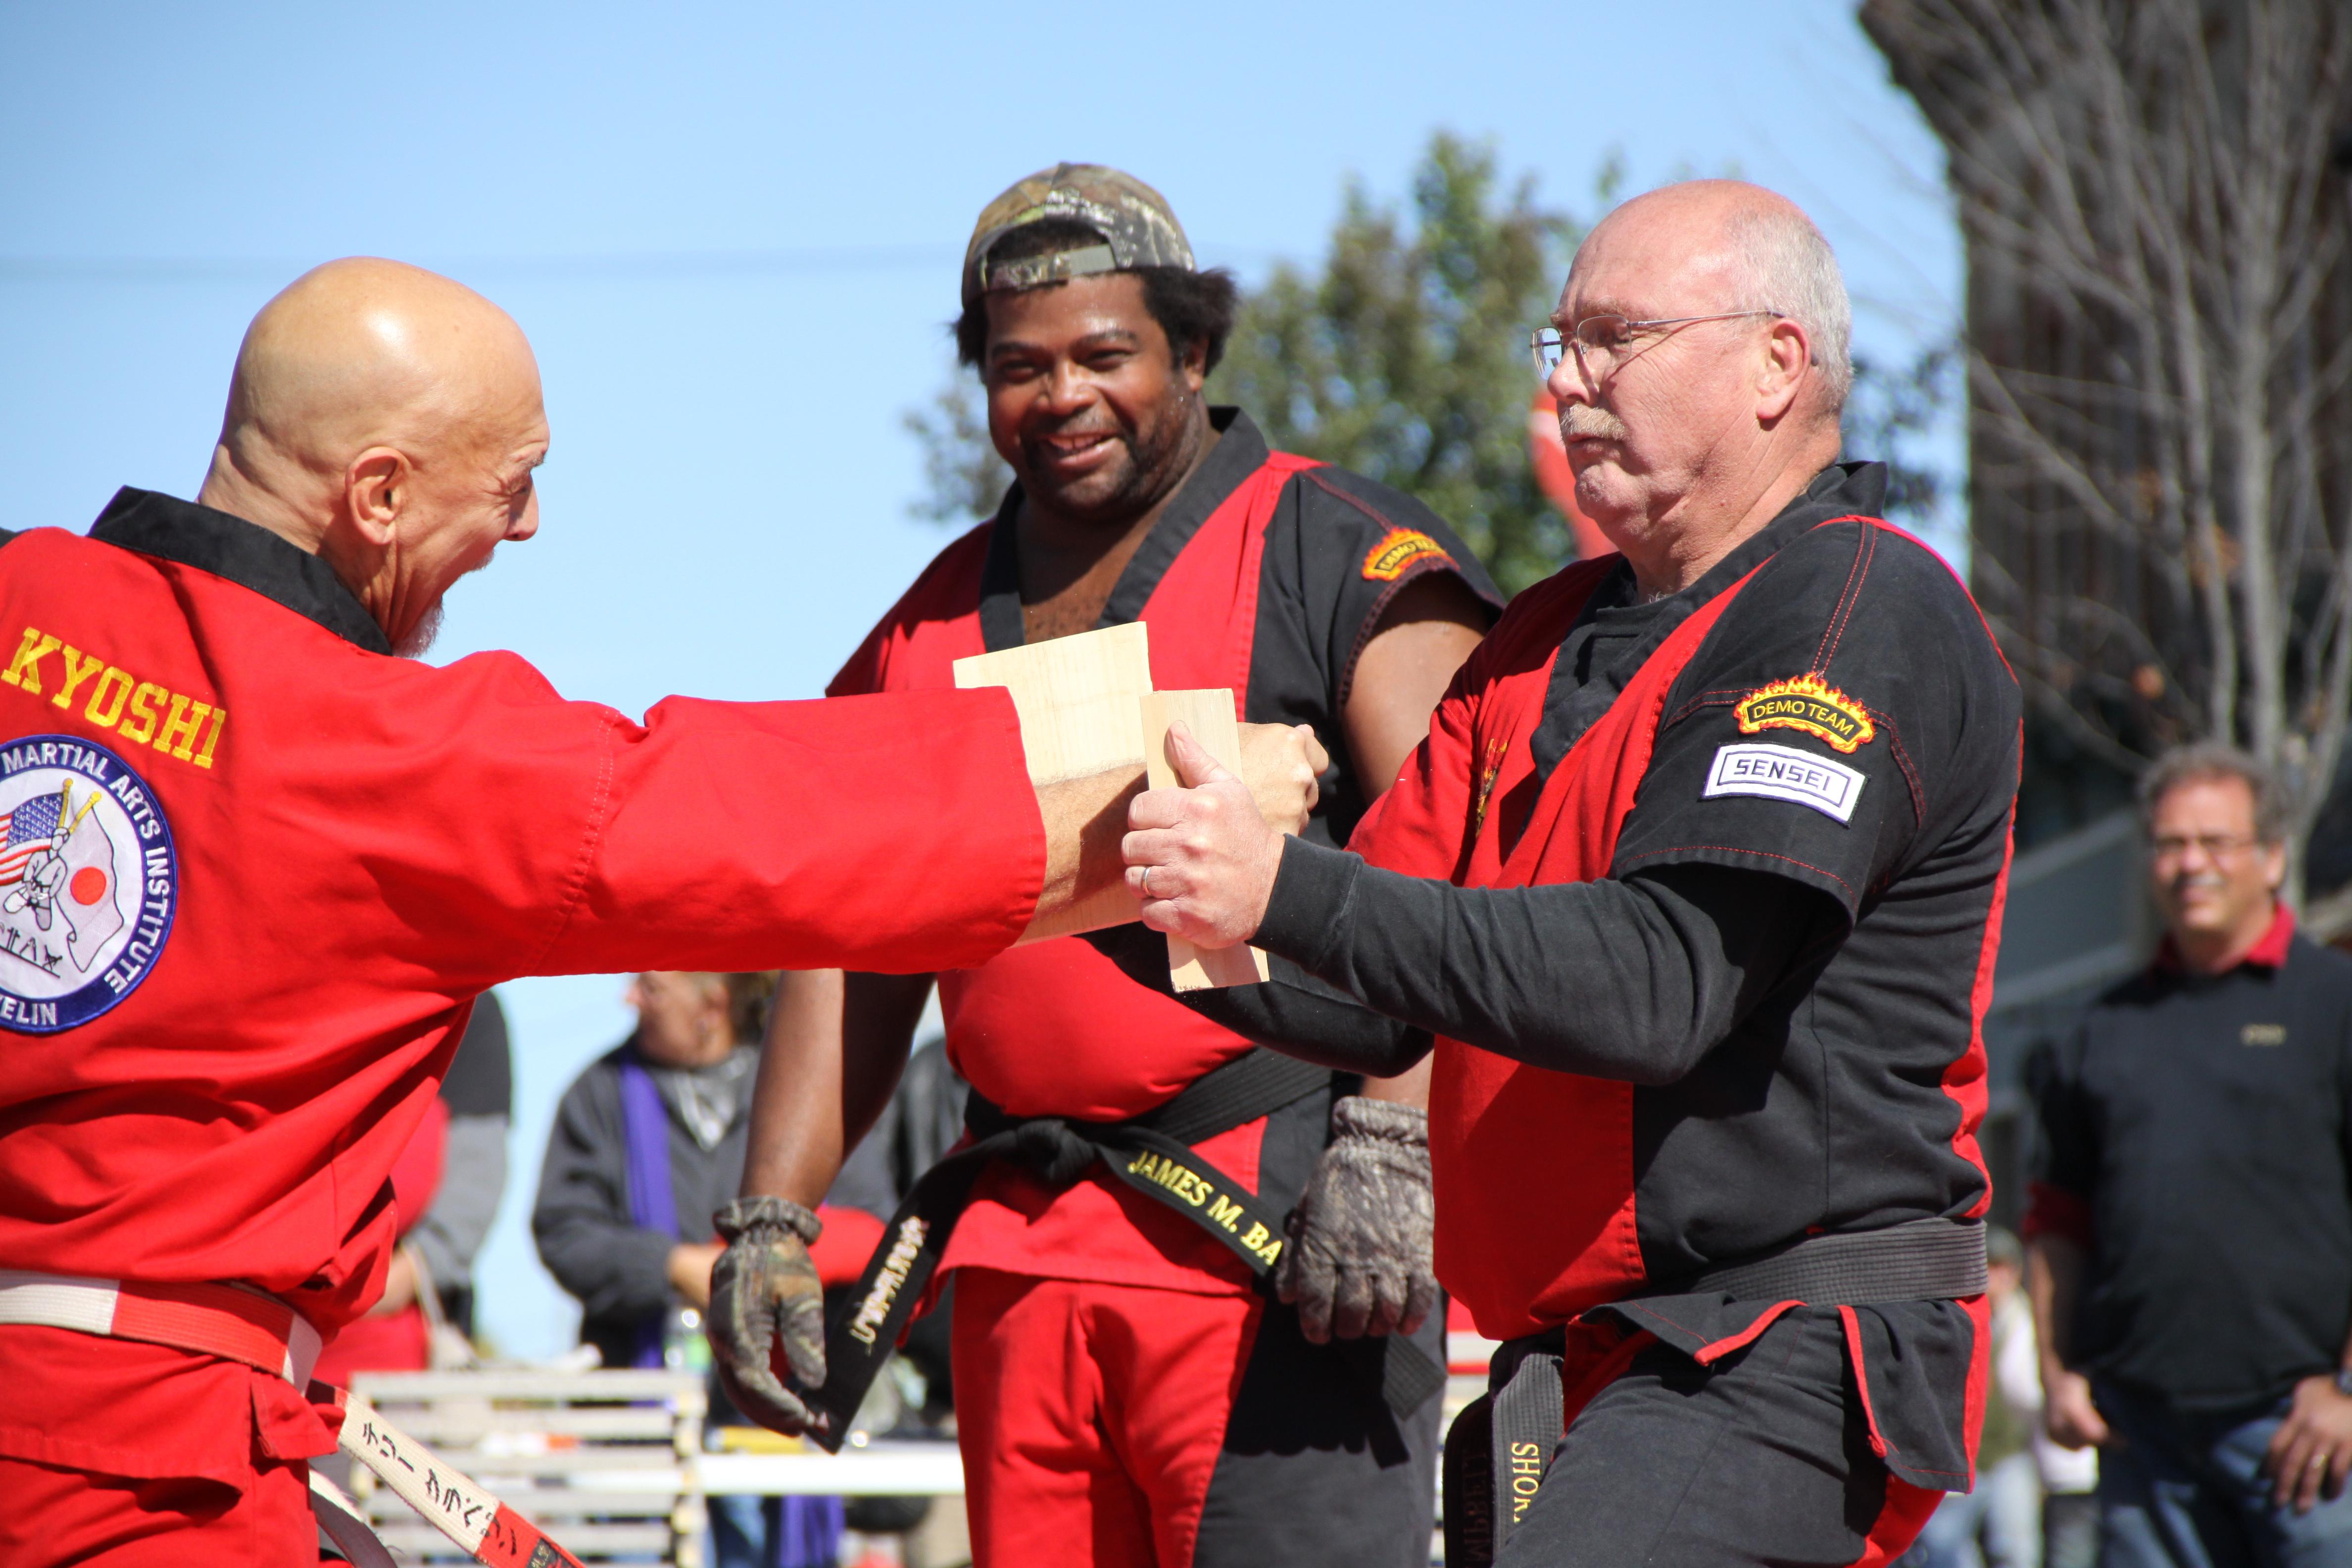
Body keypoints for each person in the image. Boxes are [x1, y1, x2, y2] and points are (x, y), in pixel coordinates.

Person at [0, 256, 1323, 1568]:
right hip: (138, 1489)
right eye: (513, 483)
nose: (524, 530)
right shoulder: (394, 758)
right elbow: (779, 831)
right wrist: (1184, 780)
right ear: (381, 496)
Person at [1117, 179, 2022, 1567]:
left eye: (1617, 340)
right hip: (1599, 1358)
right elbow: (1377, 999)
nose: (1573, 386)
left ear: (1779, 362)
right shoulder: (1542, 633)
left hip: (1777, 1337)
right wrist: (1111, 893)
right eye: (1561, 347)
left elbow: (1660, 987)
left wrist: (1279, 888)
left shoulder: (1854, 607)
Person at [707, 165, 1499, 1568]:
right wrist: (774, 1213)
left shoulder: (1336, 554)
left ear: (1192, 352)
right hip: (1019, 1258)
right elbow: (845, 929)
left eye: (1104, 355)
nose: (1060, 395)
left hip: (1284, 1242)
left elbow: (1477, 851)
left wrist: (1394, 1142)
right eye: (1019, 367)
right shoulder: (925, 627)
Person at [2026, 744, 2352, 1568]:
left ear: (2273, 856)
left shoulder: (2333, 1005)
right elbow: (2057, 1216)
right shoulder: (2099, 1031)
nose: (2189, 864)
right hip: (2143, 1438)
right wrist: (2057, 1369)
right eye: (2170, 843)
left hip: (2306, 1431)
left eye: (2216, 841)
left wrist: (2346, 1388)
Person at [536, 970, 885, 1568]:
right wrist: (670, 1266)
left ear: (713, 1003)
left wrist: (756, 1265)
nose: (629, 998)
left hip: (781, 1410)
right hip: (639, 1420)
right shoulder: (598, 1093)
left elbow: (868, 1218)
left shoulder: (802, 1087)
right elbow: (563, 1228)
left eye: (650, 987)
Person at [1903, 1228, 2044, 1568]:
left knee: (2016, 1550)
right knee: (1945, 1548)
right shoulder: (1952, 1321)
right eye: (1990, 1268)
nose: (1997, 1278)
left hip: (2011, 1452)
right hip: (1963, 1456)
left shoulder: (2026, 1320)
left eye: (2004, 1269)